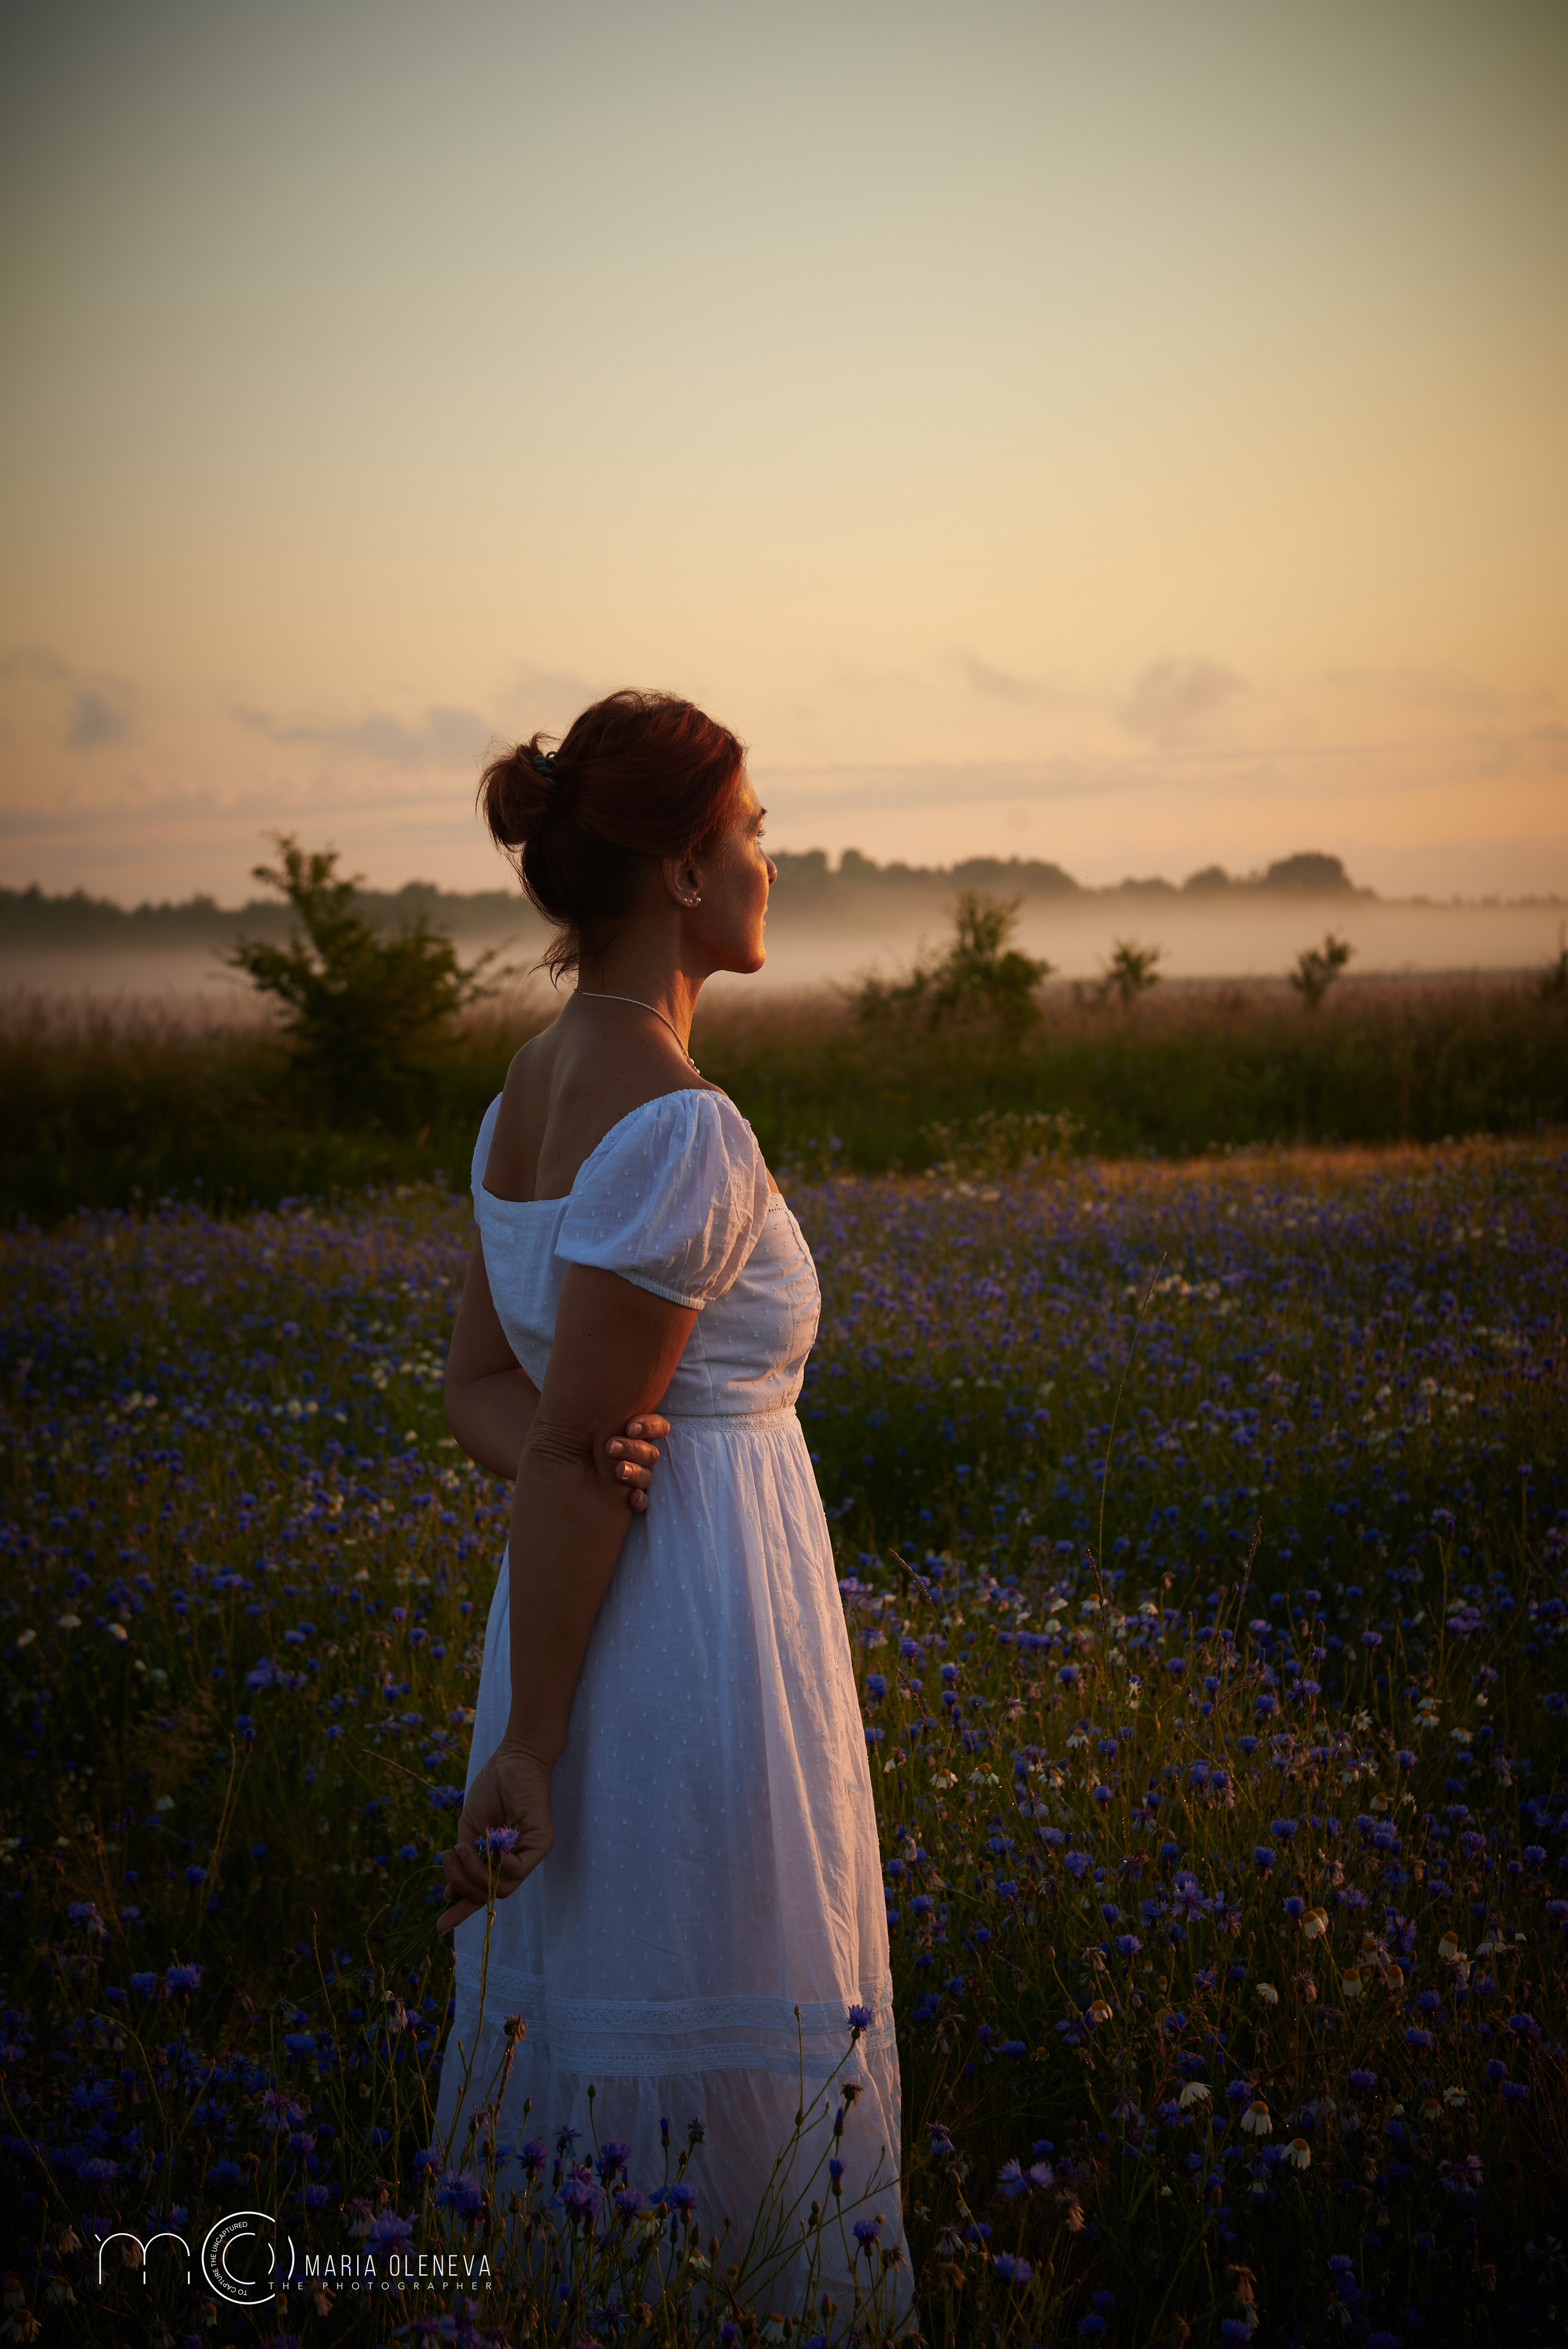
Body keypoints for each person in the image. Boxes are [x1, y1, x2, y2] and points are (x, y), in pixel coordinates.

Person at [433, 690, 905, 2315]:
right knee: (719, 2002)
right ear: (686, 877)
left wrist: (589, 1445)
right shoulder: (686, 1127)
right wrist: (536, 1746)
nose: (776, 857)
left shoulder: (526, 1085)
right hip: (676, 1634)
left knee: (606, 2019)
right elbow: (564, 1443)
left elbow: (496, 1399)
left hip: (579, 1597)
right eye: (755, 830)